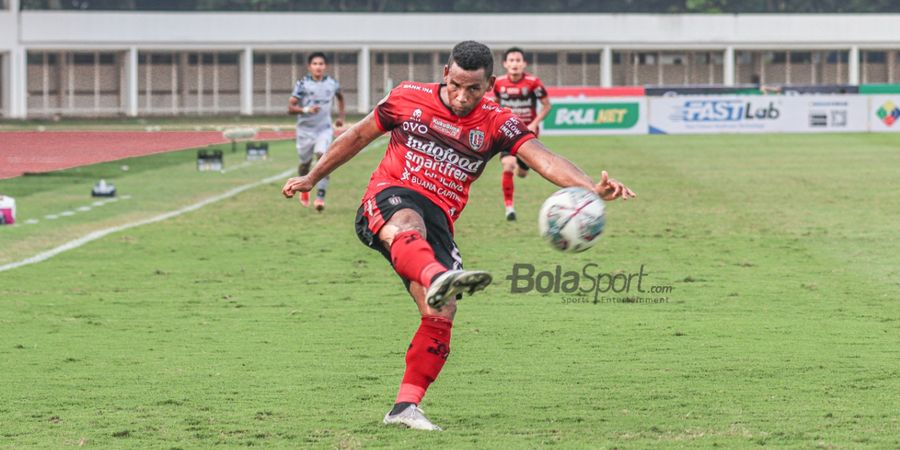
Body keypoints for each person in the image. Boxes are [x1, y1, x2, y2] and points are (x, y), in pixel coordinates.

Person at [281, 41, 635, 431]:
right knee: (406, 223)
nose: (462, 96)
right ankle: (435, 276)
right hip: (391, 194)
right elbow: (358, 136)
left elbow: (543, 157)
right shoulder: (406, 97)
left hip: (440, 219)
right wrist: (312, 177)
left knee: (441, 310)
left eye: (473, 89)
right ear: (445, 73)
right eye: (455, 85)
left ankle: (404, 408)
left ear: (490, 85)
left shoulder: (496, 121)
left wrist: (589, 187)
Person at [492, 47, 552, 221]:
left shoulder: (533, 83)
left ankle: (522, 166)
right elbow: (495, 104)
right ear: (505, 64)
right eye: (511, 60)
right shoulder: (499, 84)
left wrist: (534, 123)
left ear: (524, 63)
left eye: (518, 60)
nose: (515, 64)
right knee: (508, 165)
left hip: (527, 134)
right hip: (508, 131)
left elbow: (547, 105)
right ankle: (509, 208)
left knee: (522, 173)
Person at [288, 52, 345, 211]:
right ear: (309, 67)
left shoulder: (332, 83)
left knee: (323, 157)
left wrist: (341, 117)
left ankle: (320, 196)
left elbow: (340, 97)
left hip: (324, 129)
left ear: (325, 66)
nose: (318, 67)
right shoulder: (302, 84)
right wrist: (306, 109)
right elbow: (290, 107)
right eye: (315, 64)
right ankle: (303, 189)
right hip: (305, 130)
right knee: (305, 164)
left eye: (321, 64)